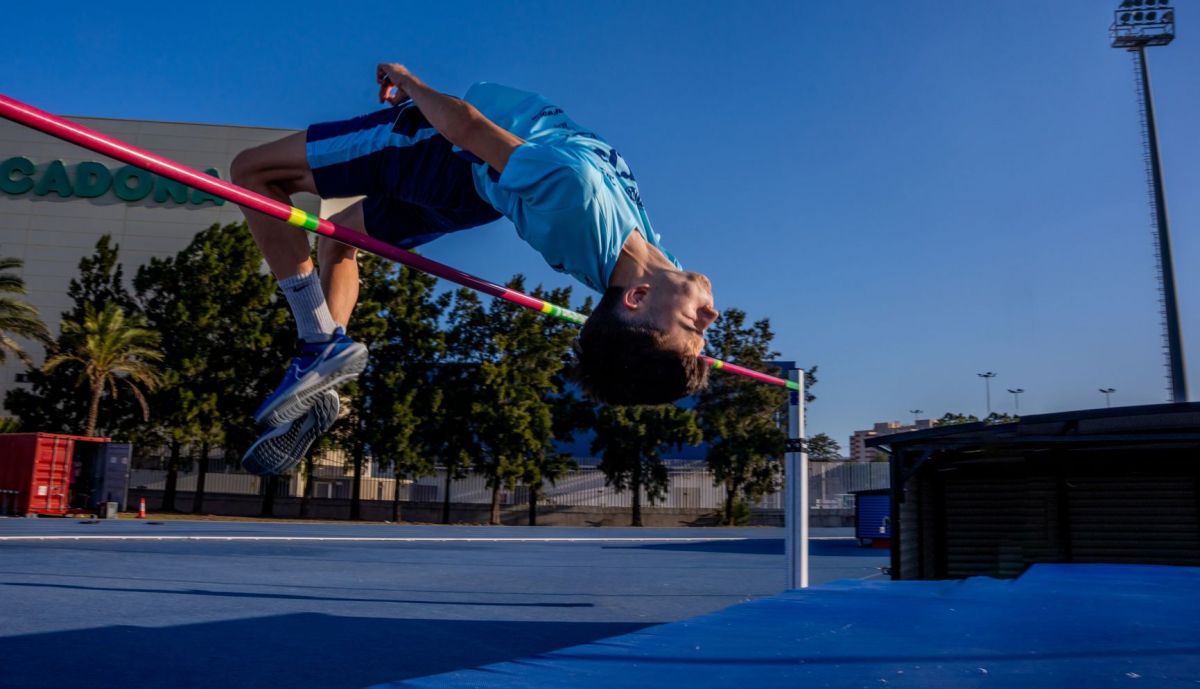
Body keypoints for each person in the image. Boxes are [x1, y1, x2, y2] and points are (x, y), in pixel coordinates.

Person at [231, 63, 720, 475]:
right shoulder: (651, 258)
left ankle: (318, 345)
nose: (710, 318)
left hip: (438, 152)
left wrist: (411, 85)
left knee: (253, 171)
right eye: (703, 328)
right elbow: (642, 326)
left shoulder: (578, 194)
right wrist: (672, 353)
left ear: (635, 298)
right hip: (471, 196)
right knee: (338, 242)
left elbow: (464, 125)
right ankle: (324, 370)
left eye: (690, 325)